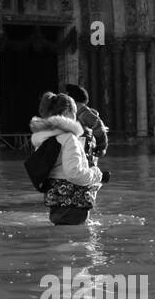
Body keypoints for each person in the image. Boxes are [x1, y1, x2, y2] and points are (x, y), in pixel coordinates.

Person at [30, 92, 106, 226]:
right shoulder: (69, 139)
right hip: (74, 205)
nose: (76, 118)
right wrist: (97, 174)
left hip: (56, 205)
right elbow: (74, 173)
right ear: (67, 112)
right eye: (74, 113)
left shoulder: (44, 138)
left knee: (59, 241)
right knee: (79, 244)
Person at [65, 83, 108, 163]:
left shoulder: (84, 113)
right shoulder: (70, 111)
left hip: (84, 152)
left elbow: (98, 127)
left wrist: (101, 147)